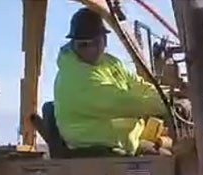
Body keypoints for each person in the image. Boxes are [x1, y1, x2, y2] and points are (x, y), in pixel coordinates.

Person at [53, 8, 169, 156]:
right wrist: (165, 105)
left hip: (124, 140)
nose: (91, 49)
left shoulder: (110, 63)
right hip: (94, 147)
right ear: (73, 44)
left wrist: (168, 97)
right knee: (168, 163)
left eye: (96, 42)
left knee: (174, 154)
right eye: (84, 45)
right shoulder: (75, 77)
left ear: (105, 40)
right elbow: (122, 102)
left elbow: (138, 86)